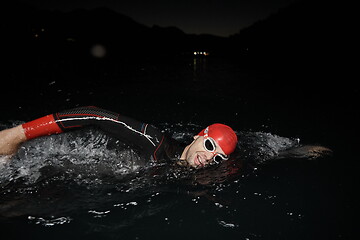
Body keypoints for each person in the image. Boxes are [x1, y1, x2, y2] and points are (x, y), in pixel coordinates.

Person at [0, 106, 238, 169]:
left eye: (217, 157)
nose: (208, 157)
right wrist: (18, 135)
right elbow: (95, 114)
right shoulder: (153, 141)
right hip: (73, 155)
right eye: (209, 145)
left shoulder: (192, 170)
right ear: (199, 135)